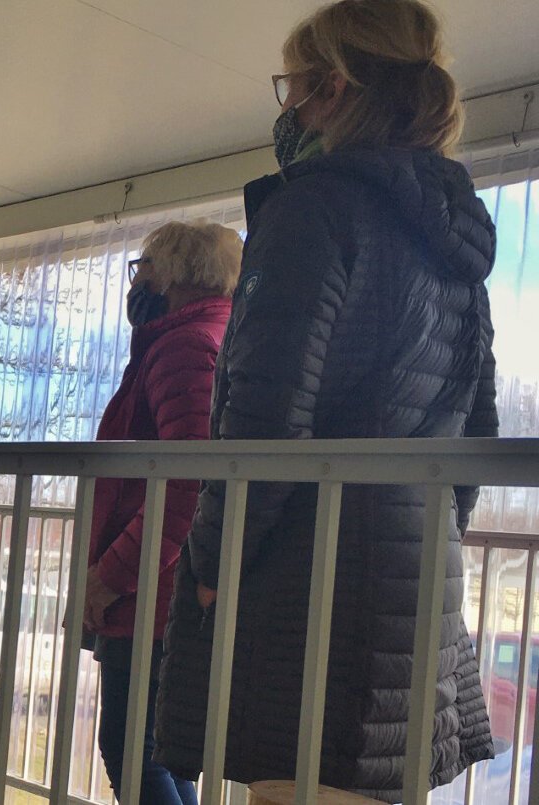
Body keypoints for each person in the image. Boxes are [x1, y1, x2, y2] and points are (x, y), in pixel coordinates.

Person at [153, 1, 497, 801]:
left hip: (312, 596)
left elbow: (264, 416)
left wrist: (213, 562)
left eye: (293, 89)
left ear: (334, 90)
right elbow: (476, 430)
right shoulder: (455, 234)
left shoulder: (312, 209)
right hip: (420, 598)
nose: (287, 110)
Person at [84, 220, 241, 803]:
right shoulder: (212, 337)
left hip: (155, 587)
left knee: (131, 750)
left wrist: (112, 575)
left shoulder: (183, 347)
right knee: (160, 751)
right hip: (173, 584)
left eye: (144, 266)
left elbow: (185, 482)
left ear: (175, 274)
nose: (138, 280)